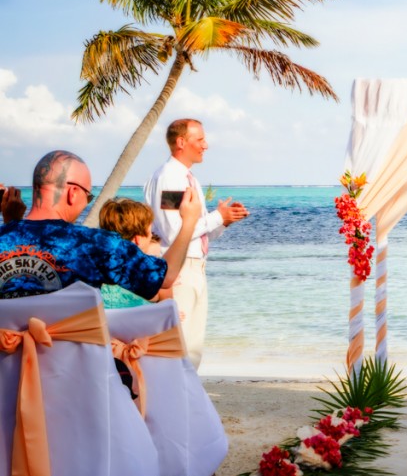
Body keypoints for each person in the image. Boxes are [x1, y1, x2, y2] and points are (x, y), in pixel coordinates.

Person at [0, 150, 199, 300]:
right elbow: (164, 278)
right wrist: (189, 221)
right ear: (73, 193)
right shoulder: (95, 244)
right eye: (88, 197)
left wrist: (12, 225)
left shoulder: (5, 236)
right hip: (72, 353)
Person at [145, 118, 249, 369]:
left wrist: (223, 221)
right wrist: (216, 217)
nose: (206, 145)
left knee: (192, 346)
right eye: (200, 139)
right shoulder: (170, 178)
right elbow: (174, 232)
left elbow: (195, 233)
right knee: (180, 343)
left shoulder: (189, 179)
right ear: (181, 142)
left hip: (195, 265)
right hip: (179, 267)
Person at [98, 198, 173, 309]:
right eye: (150, 233)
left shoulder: (91, 267)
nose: (152, 236)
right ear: (138, 239)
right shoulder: (151, 279)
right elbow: (168, 314)